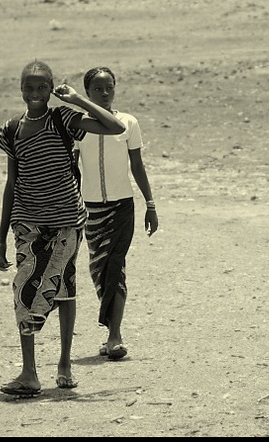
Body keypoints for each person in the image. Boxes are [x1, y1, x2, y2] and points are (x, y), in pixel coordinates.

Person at [0, 60, 126, 397]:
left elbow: (114, 127)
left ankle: (64, 363)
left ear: (51, 88)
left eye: (42, 87)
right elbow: (11, 183)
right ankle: (29, 373)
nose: (35, 93)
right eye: (29, 87)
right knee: (23, 290)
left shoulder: (63, 119)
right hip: (27, 223)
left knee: (64, 289)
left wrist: (78, 99)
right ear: (20, 89)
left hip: (66, 221)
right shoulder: (12, 129)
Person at [74, 66, 159, 362]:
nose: (105, 92)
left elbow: (138, 166)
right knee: (98, 269)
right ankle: (111, 329)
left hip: (123, 206)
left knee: (116, 267)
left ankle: (115, 336)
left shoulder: (128, 122)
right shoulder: (79, 124)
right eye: (98, 89)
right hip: (90, 208)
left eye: (109, 87)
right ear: (87, 92)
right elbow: (72, 168)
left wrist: (150, 204)